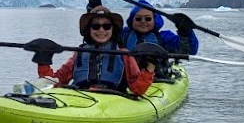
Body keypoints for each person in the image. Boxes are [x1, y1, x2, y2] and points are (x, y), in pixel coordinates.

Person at [26, 6, 156, 96]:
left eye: (106, 26)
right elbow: (56, 81)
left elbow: (137, 89)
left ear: (113, 29)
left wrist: (150, 67)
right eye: (95, 26)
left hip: (113, 98)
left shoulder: (124, 55)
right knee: (45, 82)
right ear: (89, 29)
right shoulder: (80, 53)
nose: (101, 30)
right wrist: (43, 61)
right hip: (82, 96)